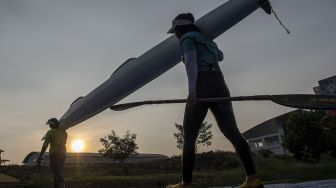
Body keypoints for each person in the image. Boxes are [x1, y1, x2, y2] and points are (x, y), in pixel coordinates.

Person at [166, 13, 263, 188]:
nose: (175, 35)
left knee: (189, 135)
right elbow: (220, 56)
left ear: (180, 29)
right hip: (220, 83)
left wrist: (192, 90)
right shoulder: (208, 40)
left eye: (175, 31)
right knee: (232, 131)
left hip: (202, 84)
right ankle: (253, 179)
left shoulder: (186, 39)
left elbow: (191, 62)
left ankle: (185, 183)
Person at [37, 118, 68, 188]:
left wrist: (40, 157)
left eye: (50, 125)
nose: (49, 126)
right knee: (57, 173)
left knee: (56, 173)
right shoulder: (64, 133)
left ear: (52, 124)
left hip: (55, 154)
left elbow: (45, 145)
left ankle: (63, 186)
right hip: (64, 154)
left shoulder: (50, 132)